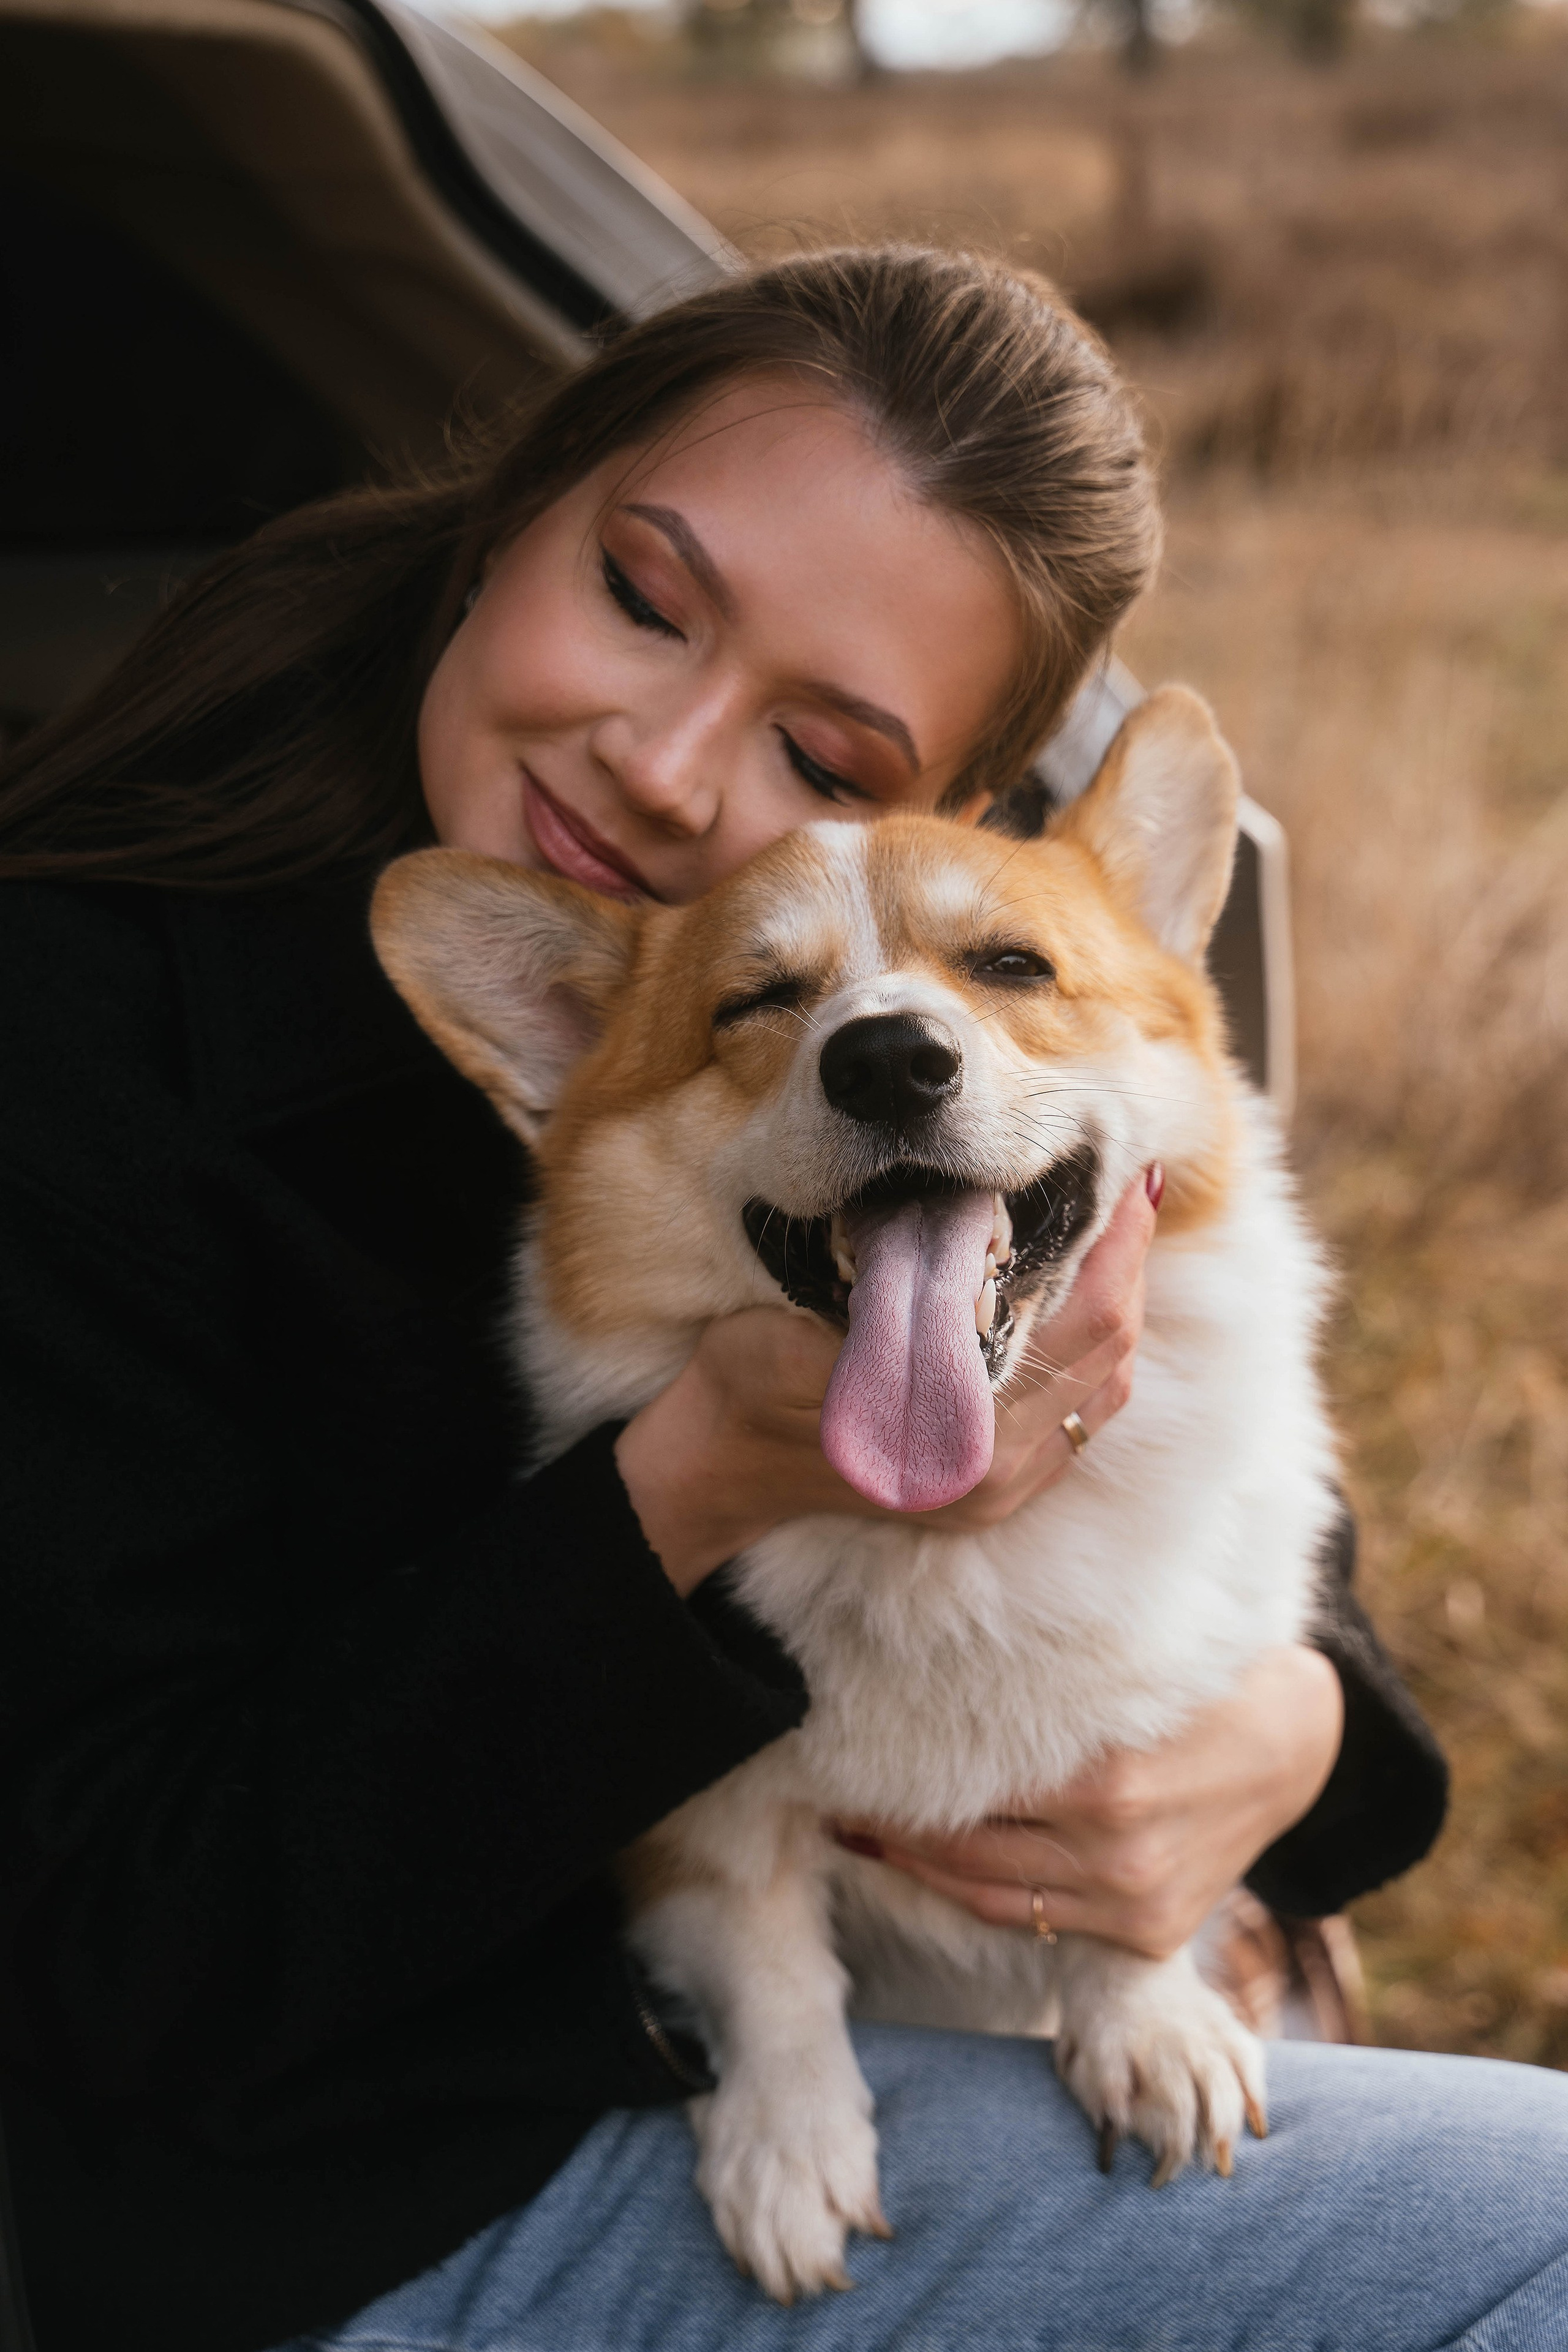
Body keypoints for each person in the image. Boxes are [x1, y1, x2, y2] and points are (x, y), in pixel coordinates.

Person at [0, 246, 1555, 2352]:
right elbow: (116, 1964)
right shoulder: (83, 1057)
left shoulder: (890, 1054)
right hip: (322, 2183)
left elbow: (1253, 1516)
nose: (662, 760)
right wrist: (685, 1493)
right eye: (645, 595)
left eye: (825, 754)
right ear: (518, 500)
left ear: (956, 819)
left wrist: (1297, 1734)